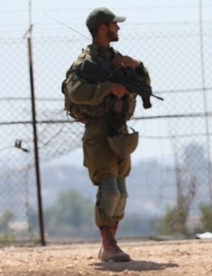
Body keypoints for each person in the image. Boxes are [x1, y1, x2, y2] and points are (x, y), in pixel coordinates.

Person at [64, 7, 150, 262]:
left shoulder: (117, 59)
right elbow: (76, 91)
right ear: (103, 28)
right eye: (114, 24)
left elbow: (143, 84)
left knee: (121, 192)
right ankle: (108, 243)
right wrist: (108, 88)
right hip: (99, 131)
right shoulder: (85, 62)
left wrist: (137, 66)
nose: (118, 29)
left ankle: (110, 243)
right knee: (109, 190)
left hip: (119, 130)